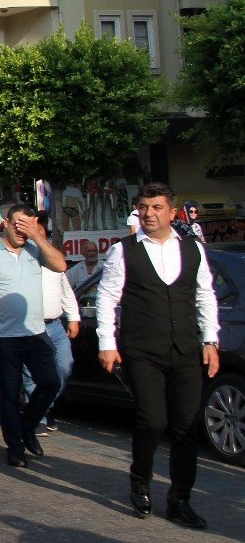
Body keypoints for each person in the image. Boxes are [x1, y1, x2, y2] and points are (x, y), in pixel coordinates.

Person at [97, 183, 219, 529]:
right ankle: (140, 480)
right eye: (143, 207)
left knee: (186, 427)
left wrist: (210, 340)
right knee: (152, 421)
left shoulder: (193, 249)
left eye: (156, 207)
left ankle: (180, 498)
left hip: (185, 348)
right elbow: (107, 298)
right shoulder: (124, 251)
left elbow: (205, 296)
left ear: (172, 212)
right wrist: (107, 342)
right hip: (142, 350)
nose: (148, 214)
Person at [0, 204, 67, 468]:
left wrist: (37, 236)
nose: (22, 230)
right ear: (6, 223)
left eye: (29, 224)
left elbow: (60, 265)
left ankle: (28, 426)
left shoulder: (34, 249)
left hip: (35, 332)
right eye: (19, 225)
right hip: (3, 336)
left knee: (50, 382)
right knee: (10, 393)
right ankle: (15, 446)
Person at [22, 213, 80, 434]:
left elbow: (66, 290)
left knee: (64, 366)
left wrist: (73, 317)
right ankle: (39, 418)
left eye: (42, 236)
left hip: (55, 324)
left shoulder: (54, 261)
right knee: (31, 374)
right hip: (31, 325)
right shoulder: (24, 259)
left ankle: (42, 407)